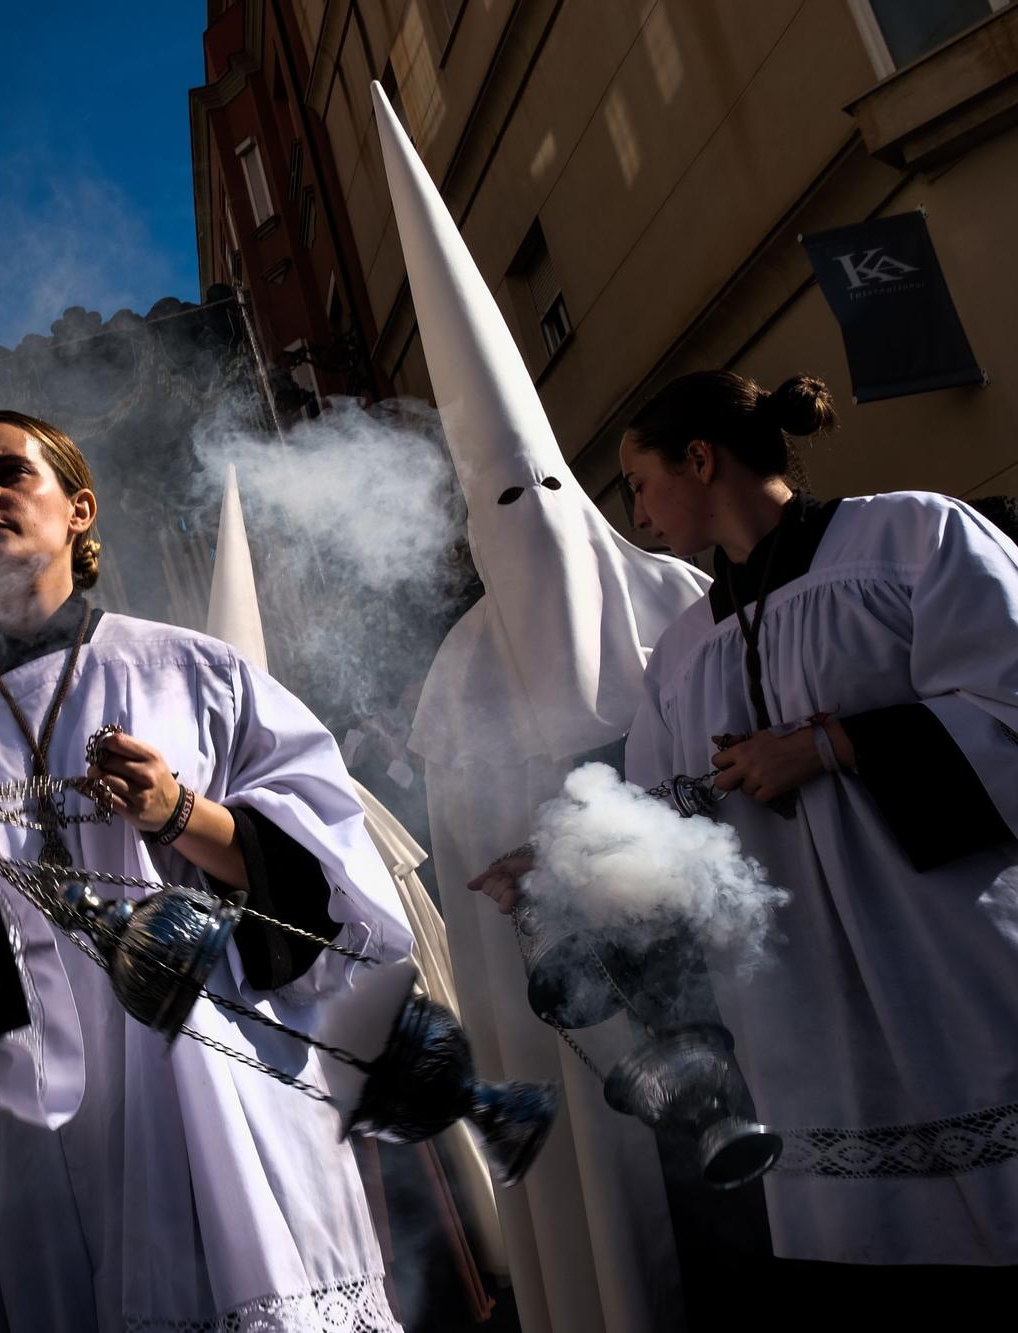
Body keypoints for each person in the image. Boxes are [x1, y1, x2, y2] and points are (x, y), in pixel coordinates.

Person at [0, 409, 416, 1332]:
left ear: (80, 509)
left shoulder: (194, 672)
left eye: (10, 472)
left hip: (204, 1095)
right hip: (16, 1121)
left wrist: (187, 814)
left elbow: (340, 880)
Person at [368, 84, 711, 1333]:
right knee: (616, 1233)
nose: (529, 535)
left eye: (544, 494)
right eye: (494, 509)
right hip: (577, 1026)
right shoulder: (455, 678)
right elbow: (462, 862)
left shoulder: (678, 597)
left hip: (725, 986)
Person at [606, 369, 1017, 1319]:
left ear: (700, 458)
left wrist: (833, 744)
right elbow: (660, 811)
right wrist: (564, 867)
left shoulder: (912, 537)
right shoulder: (681, 651)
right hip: (809, 1022)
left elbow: (1008, 706)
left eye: (640, 482)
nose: (637, 511)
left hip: (954, 965)